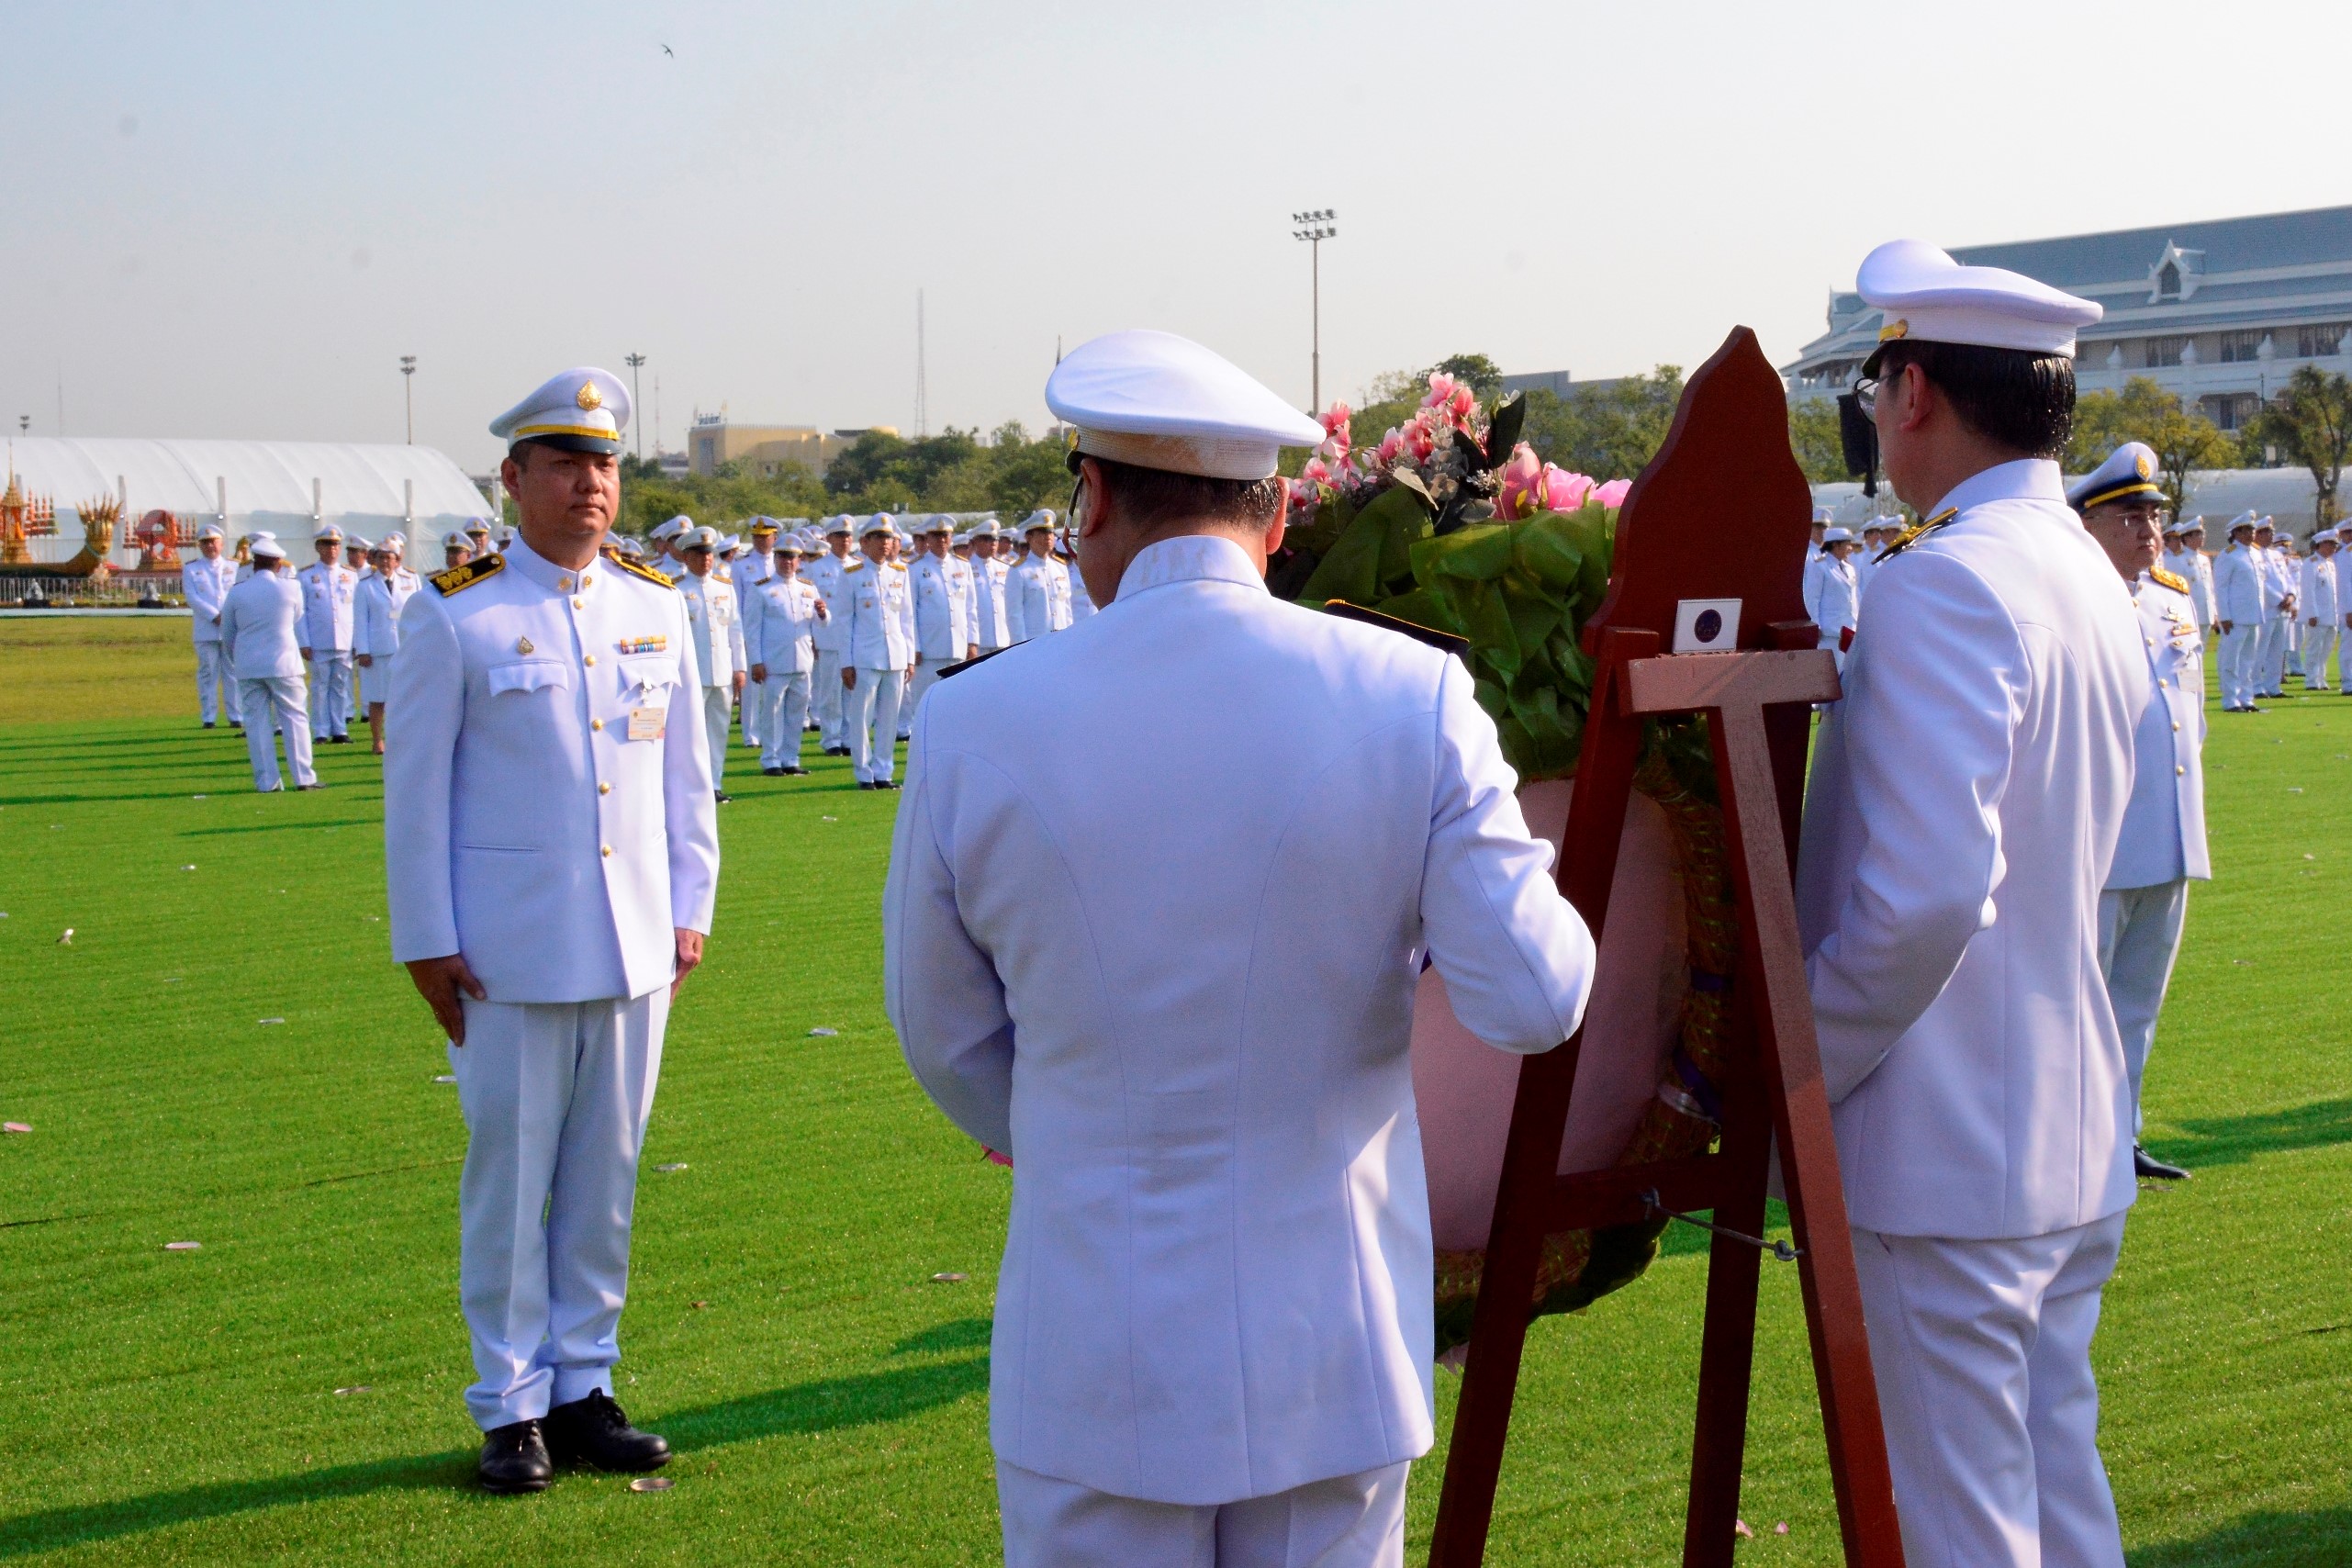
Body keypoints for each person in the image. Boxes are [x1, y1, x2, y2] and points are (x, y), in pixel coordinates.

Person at [886, 329, 1596, 1567]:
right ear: (1272, 520)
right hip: (1331, 1349)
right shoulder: (1412, 692)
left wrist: (1086, 1123)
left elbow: (942, 1032)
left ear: (1091, 497)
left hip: (1091, 1354)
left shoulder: (971, 718)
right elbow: (1533, 997)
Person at [1799, 241, 2145, 1568]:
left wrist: (1799, 1064)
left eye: (1881, 379)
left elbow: (1924, 899)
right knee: (2060, 1508)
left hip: (1946, 1145)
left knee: (1965, 1534)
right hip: (2064, 1119)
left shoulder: (1943, 578)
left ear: (1916, 393)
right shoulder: (2079, 569)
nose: (1879, 412)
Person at [385, 366, 719, 1495]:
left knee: (604, 1181)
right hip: (505, 958)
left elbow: (687, 783)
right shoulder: (455, 610)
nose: (591, 482)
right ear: (513, 477)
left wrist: (690, 907)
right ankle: (509, 1404)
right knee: (510, 1177)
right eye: (566, 462)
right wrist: (426, 940)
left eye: (606, 461)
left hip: (634, 947)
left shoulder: (656, 604)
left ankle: (584, 1385)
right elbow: (416, 797)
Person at [2070, 443, 2208, 1183]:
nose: (2148, 529)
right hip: (2099, 841)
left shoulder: (2172, 598)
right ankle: (2069, 1146)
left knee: (2136, 1006)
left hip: (2171, 833)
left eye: (2153, 515)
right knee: (2076, 1005)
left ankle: (2119, 1141)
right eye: (2129, 516)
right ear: (2090, 525)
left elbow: (2190, 724)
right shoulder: (2072, 602)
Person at [218, 532, 320, 791]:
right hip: (284, 664)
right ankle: (304, 778)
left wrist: (238, 657)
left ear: (254, 563)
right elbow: (296, 618)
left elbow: (228, 633)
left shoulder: (238, 592)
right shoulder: (291, 587)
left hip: (248, 665)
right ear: (278, 563)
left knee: (257, 723)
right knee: (295, 719)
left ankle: (267, 782)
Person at [839, 514, 915, 790]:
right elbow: (844, 622)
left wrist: (908, 657)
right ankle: (863, 772)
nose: (885, 544)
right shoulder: (852, 576)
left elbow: (906, 619)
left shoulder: (900, 573)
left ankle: (884, 771)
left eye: (888, 538)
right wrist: (846, 662)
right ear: (865, 542)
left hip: (894, 655)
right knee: (861, 717)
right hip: (865, 657)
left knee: (889, 718)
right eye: (879, 538)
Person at [674, 526, 745, 803]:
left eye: (709, 554)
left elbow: (735, 631)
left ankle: (713, 783)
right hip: (692, 674)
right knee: (689, 735)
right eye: (698, 554)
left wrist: (740, 667)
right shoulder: (676, 588)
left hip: (722, 671)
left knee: (718, 732)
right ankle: (689, 785)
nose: (705, 560)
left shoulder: (724, 588)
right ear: (686, 557)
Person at [745, 538, 824, 776]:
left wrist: (823, 614)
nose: (787, 562)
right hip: (773, 662)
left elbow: (820, 623)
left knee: (797, 714)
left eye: (792, 557)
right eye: (783, 557)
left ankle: (791, 758)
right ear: (775, 559)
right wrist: (756, 661)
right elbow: (752, 629)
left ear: (799, 560)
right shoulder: (762, 589)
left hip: (802, 661)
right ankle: (770, 759)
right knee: (771, 713)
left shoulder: (807, 588)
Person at [353, 533, 421, 755]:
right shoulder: (365, 586)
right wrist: (362, 650)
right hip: (378, 649)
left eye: (389, 558)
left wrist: (420, 646)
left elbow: (420, 615)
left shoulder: (410, 580)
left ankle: (402, 739)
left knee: (405, 697)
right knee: (377, 699)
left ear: (397, 560)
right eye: (381, 558)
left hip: (405, 647)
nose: (385, 562)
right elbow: (360, 620)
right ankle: (377, 740)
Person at [909, 517, 977, 724]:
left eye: (945, 535)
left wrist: (972, 641)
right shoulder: (915, 568)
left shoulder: (962, 565)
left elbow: (970, 607)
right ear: (928, 538)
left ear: (951, 538)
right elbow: (910, 611)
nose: (941, 540)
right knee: (924, 703)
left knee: (957, 702)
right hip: (928, 649)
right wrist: (915, 646)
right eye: (936, 536)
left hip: (957, 646)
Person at [297, 523, 359, 745]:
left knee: (341, 686)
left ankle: (339, 728)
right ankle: (321, 730)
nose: (331, 549)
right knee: (320, 686)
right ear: (318, 547)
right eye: (327, 545)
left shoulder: (350, 575)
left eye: (335, 545)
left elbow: (357, 610)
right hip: (318, 640)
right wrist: (303, 641)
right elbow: (300, 613)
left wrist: (358, 641)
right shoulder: (306, 575)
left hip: (345, 639)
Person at [805, 517, 856, 756]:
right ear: (830, 539)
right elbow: (808, 607)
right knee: (830, 693)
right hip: (828, 638)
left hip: (855, 640)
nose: (844, 541)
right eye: (839, 536)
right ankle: (831, 738)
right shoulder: (816, 568)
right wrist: (812, 637)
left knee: (851, 693)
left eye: (847, 536)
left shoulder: (858, 566)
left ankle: (848, 737)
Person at [184, 522, 239, 728]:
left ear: (222, 543)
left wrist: (229, 616)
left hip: (231, 627)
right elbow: (192, 597)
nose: (210, 546)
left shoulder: (234, 567)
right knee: (208, 673)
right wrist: (215, 616)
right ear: (200, 545)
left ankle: (236, 716)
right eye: (205, 542)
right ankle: (209, 717)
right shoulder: (192, 568)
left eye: (213, 541)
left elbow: (238, 594)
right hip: (206, 629)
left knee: (232, 673)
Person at [2212, 514, 2266, 711]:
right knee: (2231, 660)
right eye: (2247, 530)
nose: (2252, 534)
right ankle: (2230, 700)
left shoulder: (2256, 554)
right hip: (2235, 617)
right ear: (2236, 533)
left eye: (2252, 530)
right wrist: (2224, 616)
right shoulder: (2229, 555)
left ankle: (2247, 698)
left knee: (2249, 661)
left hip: (2254, 615)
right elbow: (2221, 587)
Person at [1005, 511, 1071, 642]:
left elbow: (1066, 608)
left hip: (1061, 640)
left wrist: (1069, 638)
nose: (1048, 537)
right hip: (1035, 642)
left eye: (1050, 532)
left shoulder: (1060, 568)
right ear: (1028, 537)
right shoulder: (1019, 571)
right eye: (1042, 532)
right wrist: (1020, 646)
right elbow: (1014, 615)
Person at [2252, 520, 2295, 698]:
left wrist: (2291, 596)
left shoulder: (2276, 555)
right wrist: (2279, 599)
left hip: (2283, 609)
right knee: (2260, 650)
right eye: (2266, 532)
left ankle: (2273, 686)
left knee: (2277, 651)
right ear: (2258, 534)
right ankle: (2255, 686)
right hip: (2267, 608)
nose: (2271, 535)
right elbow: (2262, 582)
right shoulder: (2254, 554)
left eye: (2271, 532)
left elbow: (2287, 578)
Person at [1812, 525, 1861, 666]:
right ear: (1835, 545)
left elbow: (1854, 598)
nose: (1850, 548)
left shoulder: (1850, 568)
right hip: (1830, 632)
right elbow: (1812, 598)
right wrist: (1816, 625)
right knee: (1833, 673)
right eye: (1847, 544)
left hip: (1850, 630)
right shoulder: (1820, 566)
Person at [2302, 528, 2339, 691]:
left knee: (2326, 650)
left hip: (2331, 614)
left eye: (2335, 545)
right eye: (2330, 544)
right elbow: (2308, 590)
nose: (2334, 548)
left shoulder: (2330, 564)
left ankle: (2321, 679)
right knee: (2314, 649)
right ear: (2320, 544)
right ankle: (2311, 680)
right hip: (2317, 615)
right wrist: (2312, 613)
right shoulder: (2311, 563)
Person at [969, 521, 1014, 654]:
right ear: (975, 542)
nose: (993, 543)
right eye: (987, 539)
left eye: (995, 539)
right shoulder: (966, 567)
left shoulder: (1005, 568)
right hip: (979, 640)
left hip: (1003, 638)